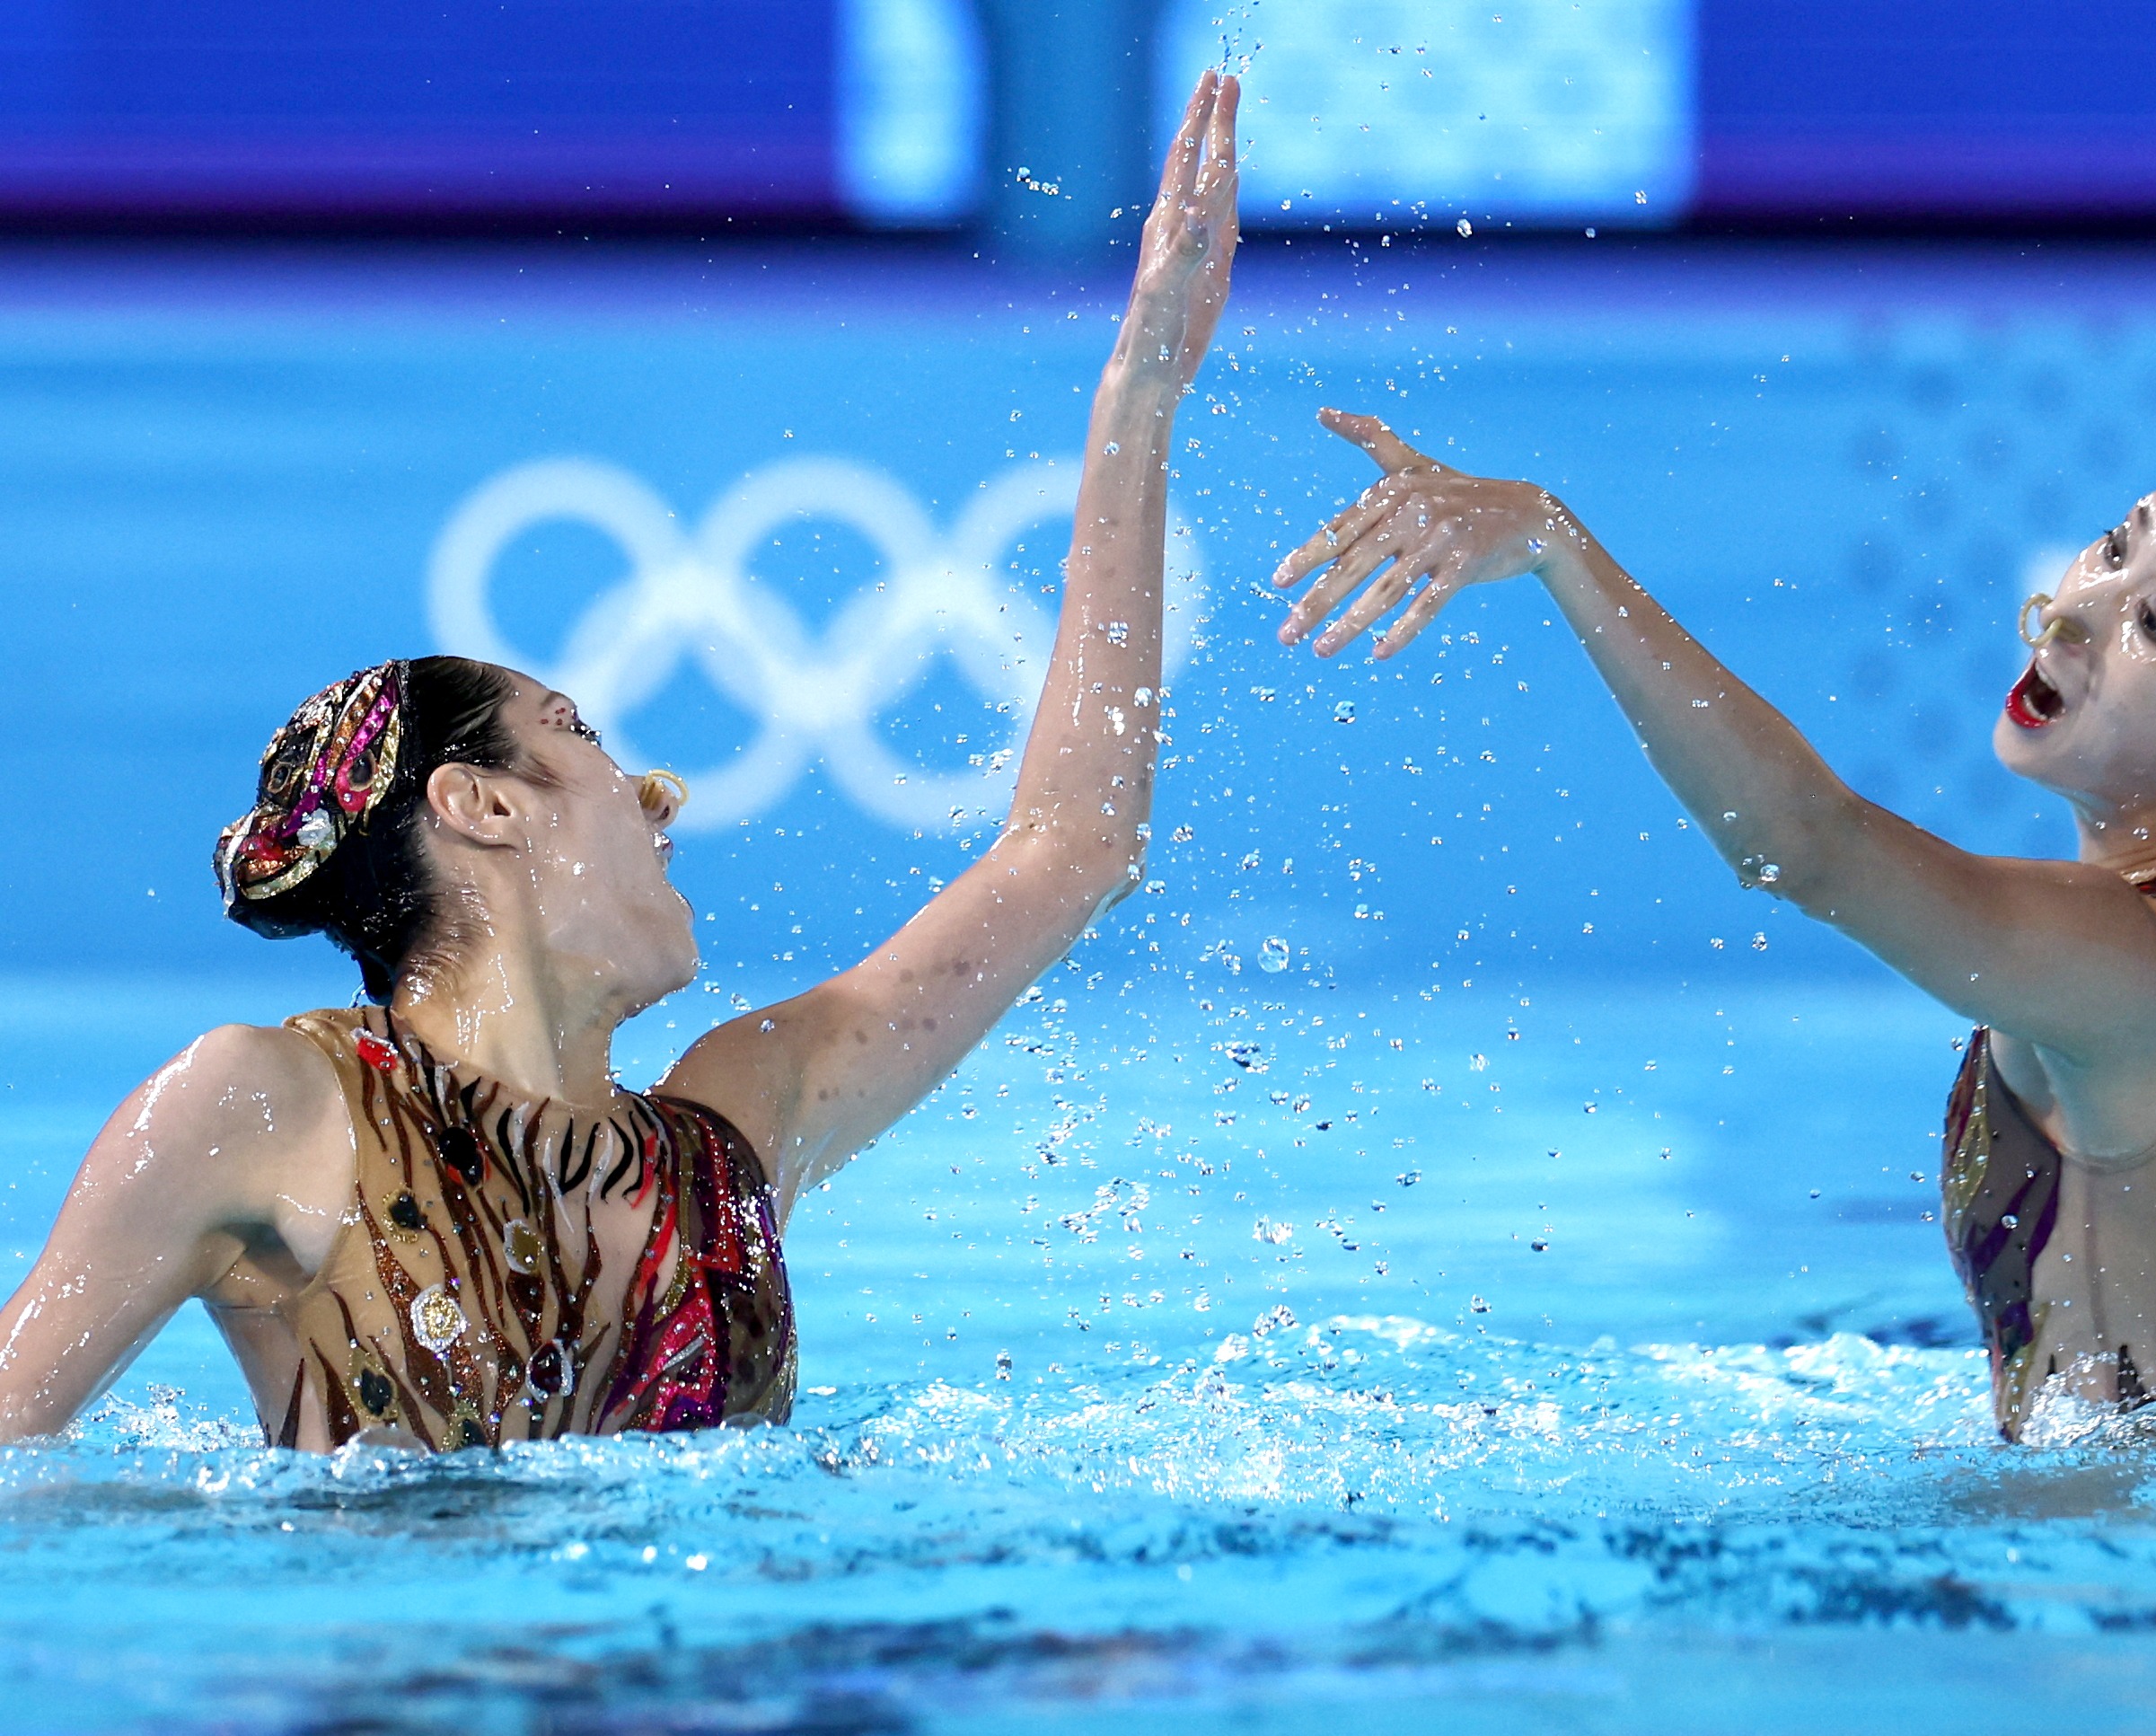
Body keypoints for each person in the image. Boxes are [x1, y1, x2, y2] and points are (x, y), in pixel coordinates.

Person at [0, 75, 1241, 1453]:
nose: (662, 793)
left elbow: (1073, 846)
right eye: (584, 740)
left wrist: (1137, 401)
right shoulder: (264, 1103)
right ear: (474, 806)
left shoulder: (739, 1121)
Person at [1272, 409, 2156, 1440]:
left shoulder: (2135, 968)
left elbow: (1804, 846)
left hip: (2126, 1632)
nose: (2077, 612)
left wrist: (1559, 547)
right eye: (2112, 545)